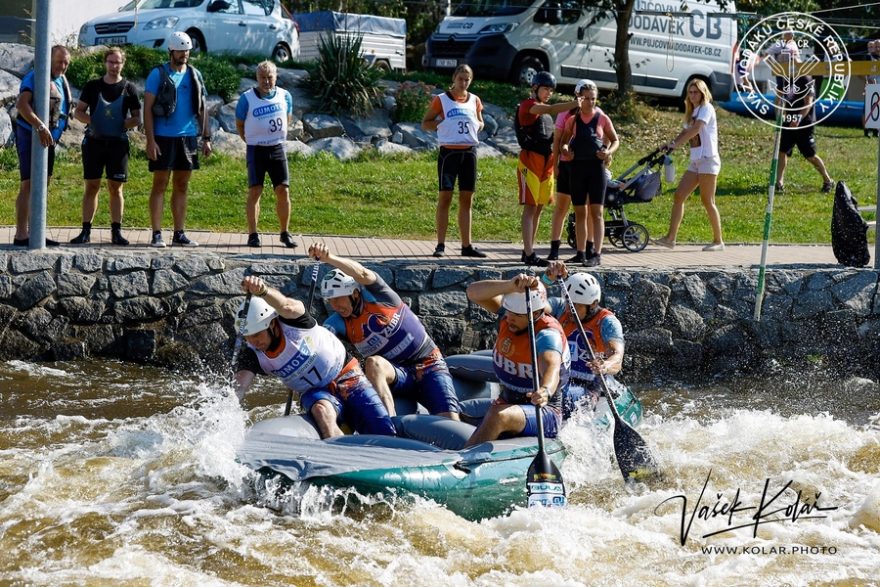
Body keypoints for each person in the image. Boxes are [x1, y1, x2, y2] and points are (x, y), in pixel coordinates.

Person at [310, 243, 461, 421]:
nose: (335, 306)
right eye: (330, 301)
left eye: (338, 299)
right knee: (373, 363)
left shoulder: (380, 295)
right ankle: (389, 425)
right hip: (396, 374)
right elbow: (320, 347)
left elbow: (363, 273)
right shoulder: (335, 323)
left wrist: (328, 258)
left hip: (429, 364)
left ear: (355, 294)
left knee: (450, 419)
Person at [234, 275, 396, 439]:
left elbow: (286, 305)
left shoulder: (294, 321)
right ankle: (343, 456)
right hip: (313, 392)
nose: (254, 341)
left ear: (273, 324)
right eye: (248, 336)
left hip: (346, 374)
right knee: (321, 411)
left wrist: (263, 291)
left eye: (258, 334)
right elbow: (239, 387)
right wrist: (224, 409)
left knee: (383, 429)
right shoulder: (251, 352)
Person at [463, 275, 570, 447]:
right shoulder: (510, 316)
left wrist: (544, 390)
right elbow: (472, 292)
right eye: (508, 312)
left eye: (516, 315)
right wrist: (509, 285)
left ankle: (463, 461)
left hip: (545, 413)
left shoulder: (547, 335)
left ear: (534, 314)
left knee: (498, 415)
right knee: (464, 413)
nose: (509, 318)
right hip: (508, 401)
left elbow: (552, 369)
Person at [143, 31, 210, 248]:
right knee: (160, 184)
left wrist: (206, 137)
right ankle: (156, 233)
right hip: (163, 137)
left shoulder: (194, 74)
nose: (184, 54)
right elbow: (147, 109)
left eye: (187, 50)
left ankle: (179, 233)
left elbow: (202, 108)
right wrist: (150, 140)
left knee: (182, 185)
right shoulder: (158, 74)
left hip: (188, 137)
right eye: (180, 50)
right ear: (171, 51)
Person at [70, 47, 141, 246]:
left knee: (115, 188)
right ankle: (85, 231)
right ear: (105, 63)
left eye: (117, 62)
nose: (113, 65)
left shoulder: (129, 88)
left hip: (118, 144)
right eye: (110, 61)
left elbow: (137, 117)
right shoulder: (93, 86)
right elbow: (78, 112)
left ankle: (116, 232)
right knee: (91, 186)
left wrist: (121, 124)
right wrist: (94, 121)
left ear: (123, 63)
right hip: (94, 143)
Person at [544, 262, 625, 419]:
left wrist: (605, 365)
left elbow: (617, 357)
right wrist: (547, 279)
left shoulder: (607, 322)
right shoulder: (561, 308)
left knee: (558, 395)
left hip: (588, 387)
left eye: (576, 306)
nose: (569, 309)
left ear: (593, 304)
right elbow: (533, 304)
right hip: (559, 378)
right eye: (569, 303)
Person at [421, 64, 487, 258]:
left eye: (467, 79)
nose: (464, 83)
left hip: (469, 153)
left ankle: (467, 245)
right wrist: (443, 124)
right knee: (445, 197)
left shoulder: (474, 100)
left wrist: (477, 125)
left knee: (467, 199)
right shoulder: (441, 100)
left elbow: (480, 121)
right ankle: (440, 245)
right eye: (461, 79)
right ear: (454, 78)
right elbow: (425, 124)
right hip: (449, 153)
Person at [652, 79, 725, 252]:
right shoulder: (693, 111)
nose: (692, 95)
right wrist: (670, 143)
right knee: (679, 196)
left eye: (696, 92)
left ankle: (718, 241)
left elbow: (696, 130)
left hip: (708, 159)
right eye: (690, 92)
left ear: (703, 93)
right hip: (696, 161)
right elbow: (686, 132)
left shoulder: (706, 108)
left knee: (707, 201)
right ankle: (670, 239)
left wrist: (676, 146)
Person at [515, 72, 580, 266]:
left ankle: (529, 251)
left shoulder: (547, 115)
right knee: (530, 207)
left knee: (539, 208)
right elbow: (550, 108)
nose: (548, 93)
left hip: (547, 163)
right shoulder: (528, 105)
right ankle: (528, 253)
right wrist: (574, 103)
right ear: (535, 88)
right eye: (545, 89)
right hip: (530, 162)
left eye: (551, 90)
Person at [12, 45, 72, 247]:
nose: (62, 66)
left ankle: (36, 231)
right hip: (31, 136)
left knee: (42, 186)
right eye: (59, 61)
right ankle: (21, 235)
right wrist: (39, 126)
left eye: (65, 62)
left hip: (49, 140)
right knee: (28, 184)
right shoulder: (36, 76)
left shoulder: (61, 80)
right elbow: (22, 104)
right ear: (49, 60)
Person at [235, 60, 298, 249]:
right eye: (262, 78)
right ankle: (253, 234)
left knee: (283, 190)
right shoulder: (247, 99)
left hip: (277, 148)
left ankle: (284, 232)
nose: (266, 81)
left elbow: (288, 117)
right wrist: (250, 139)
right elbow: (239, 123)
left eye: (269, 77)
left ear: (276, 77)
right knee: (255, 190)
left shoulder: (285, 96)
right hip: (256, 149)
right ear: (257, 78)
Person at [558, 79, 619, 267]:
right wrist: (566, 149)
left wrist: (607, 152)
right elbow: (564, 142)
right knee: (579, 213)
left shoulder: (602, 118)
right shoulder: (572, 119)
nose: (590, 102)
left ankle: (596, 254)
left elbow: (615, 140)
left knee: (597, 213)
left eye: (593, 99)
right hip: (577, 168)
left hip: (596, 169)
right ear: (579, 99)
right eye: (586, 98)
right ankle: (581, 252)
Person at [774, 67, 834, 195]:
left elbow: (808, 103)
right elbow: (778, 100)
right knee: (782, 151)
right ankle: (779, 183)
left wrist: (797, 120)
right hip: (788, 121)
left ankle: (828, 180)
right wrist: (779, 115)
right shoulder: (783, 80)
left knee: (810, 155)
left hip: (804, 122)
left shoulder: (806, 80)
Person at [546, 79, 587, 262]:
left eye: (588, 96)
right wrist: (554, 164)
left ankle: (582, 251)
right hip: (566, 164)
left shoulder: (596, 115)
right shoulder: (565, 113)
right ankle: (554, 247)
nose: (584, 99)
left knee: (582, 210)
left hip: (584, 167)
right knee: (561, 207)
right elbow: (557, 140)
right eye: (581, 95)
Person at [862, 40, 880, 138]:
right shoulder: (869, 57)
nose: (877, 48)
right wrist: (867, 82)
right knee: (867, 109)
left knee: (877, 109)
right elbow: (863, 72)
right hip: (871, 84)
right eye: (875, 46)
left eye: (878, 46)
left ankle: (876, 130)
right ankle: (866, 130)